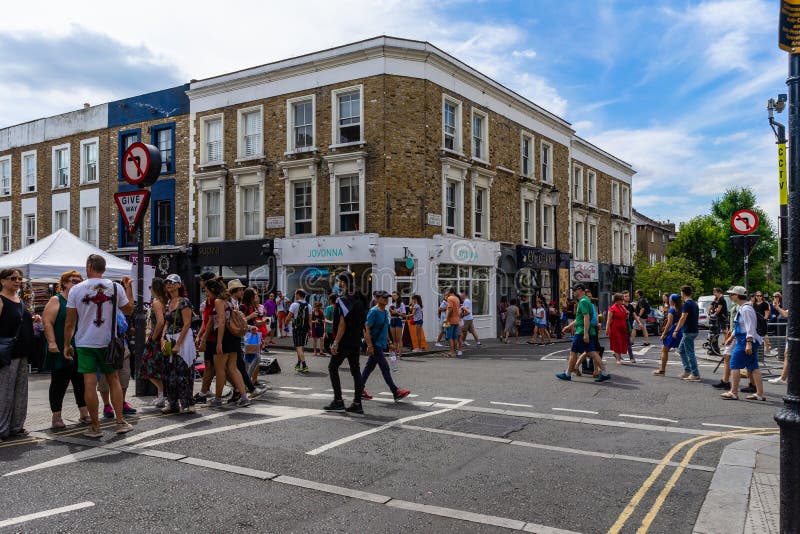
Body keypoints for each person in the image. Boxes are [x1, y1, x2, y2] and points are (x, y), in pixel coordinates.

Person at [63, 255, 135, 438]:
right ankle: (120, 423)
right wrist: (129, 288)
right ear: (104, 268)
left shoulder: (76, 290)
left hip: (85, 343)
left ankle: (95, 427)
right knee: (114, 380)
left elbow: (70, 322)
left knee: (89, 383)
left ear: (88, 266)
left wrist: (66, 344)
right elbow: (129, 310)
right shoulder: (116, 288)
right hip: (108, 342)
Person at [43, 270, 90, 428]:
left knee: (81, 382)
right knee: (59, 383)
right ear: (64, 283)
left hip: (79, 346)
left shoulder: (80, 300)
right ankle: (56, 417)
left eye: (79, 281)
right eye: (73, 281)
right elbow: (47, 321)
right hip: (61, 346)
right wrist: (51, 342)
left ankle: (84, 414)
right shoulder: (57, 300)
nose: (76, 283)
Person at [0, 268, 38, 439]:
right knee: (4, 392)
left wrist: (33, 318)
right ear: (2, 281)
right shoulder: (1, 300)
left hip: (22, 352)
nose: (17, 281)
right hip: (7, 354)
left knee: (20, 392)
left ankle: (16, 426)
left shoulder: (19, 300)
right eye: (13, 278)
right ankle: (2, 429)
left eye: (19, 278)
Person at [204, 279, 249, 407]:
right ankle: (244, 396)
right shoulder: (228, 302)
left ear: (213, 290)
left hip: (224, 337)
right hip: (233, 337)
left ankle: (217, 399)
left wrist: (218, 343)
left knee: (220, 370)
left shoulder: (218, 301)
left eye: (207, 291)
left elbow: (221, 322)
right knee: (233, 368)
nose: (206, 294)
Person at [325, 273, 366, 414]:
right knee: (356, 371)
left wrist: (336, 342)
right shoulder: (360, 299)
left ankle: (338, 400)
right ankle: (357, 403)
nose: (338, 284)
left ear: (343, 282)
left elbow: (342, 323)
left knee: (332, 367)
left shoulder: (342, 300)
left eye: (339, 281)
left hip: (344, 341)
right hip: (356, 340)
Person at [361, 290, 411, 402]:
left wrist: (390, 343)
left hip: (381, 343)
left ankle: (359, 388)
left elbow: (385, 329)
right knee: (385, 367)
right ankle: (395, 391)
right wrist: (369, 346)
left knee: (369, 367)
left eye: (387, 297)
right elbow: (367, 329)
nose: (386, 299)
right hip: (375, 344)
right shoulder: (373, 312)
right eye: (383, 298)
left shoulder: (384, 312)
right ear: (377, 299)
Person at [556, 284, 610, 382]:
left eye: (574, 290)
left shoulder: (583, 301)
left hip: (581, 332)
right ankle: (605, 373)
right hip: (586, 331)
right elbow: (579, 318)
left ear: (580, 290)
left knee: (573, 353)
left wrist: (585, 334)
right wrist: (568, 326)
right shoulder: (586, 301)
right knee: (593, 352)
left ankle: (567, 374)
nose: (573, 292)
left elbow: (586, 317)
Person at [721, 286, 766, 401]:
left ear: (737, 295)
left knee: (734, 363)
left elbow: (750, 327)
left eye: (732, 294)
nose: (730, 296)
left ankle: (734, 392)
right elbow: (740, 326)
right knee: (753, 366)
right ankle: (760, 394)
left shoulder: (746, 309)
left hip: (745, 341)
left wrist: (748, 343)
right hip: (745, 340)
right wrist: (731, 337)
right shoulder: (743, 307)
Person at [161, 274, 197, 414]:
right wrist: (163, 339)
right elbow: (167, 322)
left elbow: (187, 323)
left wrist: (178, 344)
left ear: (178, 285)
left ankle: (187, 403)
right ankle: (172, 403)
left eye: (171, 282)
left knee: (184, 372)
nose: (168, 284)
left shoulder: (184, 302)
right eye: (167, 282)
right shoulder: (168, 302)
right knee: (169, 373)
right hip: (170, 339)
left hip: (183, 340)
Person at [139, 277, 167, 408]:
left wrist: (153, 338)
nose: (150, 290)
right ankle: (161, 394)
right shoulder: (166, 301)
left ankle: (162, 394)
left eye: (151, 287)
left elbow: (160, 322)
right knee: (159, 368)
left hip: (156, 339)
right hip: (165, 338)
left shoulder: (156, 303)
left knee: (148, 368)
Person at [671, 285, 701, 382]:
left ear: (683, 292)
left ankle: (695, 374)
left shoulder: (687, 304)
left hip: (688, 331)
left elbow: (683, 318)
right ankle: (687, 371)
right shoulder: (694, 303)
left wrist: (676, 330)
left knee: (690, 352)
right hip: (693, 330)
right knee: (681, 350)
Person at [654, 294, 683, 376]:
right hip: (681, 330)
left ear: (671, 301)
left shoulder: (672, 310)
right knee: (684, 352)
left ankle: (662, 370)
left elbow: (669, 324)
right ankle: (689, 370)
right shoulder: (682, 308)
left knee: (664, 350)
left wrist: (663, 334)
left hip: (673, 331)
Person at [286, 289, 310, 373]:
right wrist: (309, 330)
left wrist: (285, 325)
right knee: (301, 346)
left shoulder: (294, 304)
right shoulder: (309, 305)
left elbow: (289, 317)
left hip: (297, 328)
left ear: (298, 295)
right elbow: (310, 320)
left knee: (298, 346)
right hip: (305, 329)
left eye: (295, 294)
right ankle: (298, 363)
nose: (294, 295)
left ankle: (304, 365)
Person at [606, 293, 629, 364]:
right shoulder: (612, 308)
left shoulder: (622, 307)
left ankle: (617, 355)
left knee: (621, 342)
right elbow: (609, 319)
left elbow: (626, 317)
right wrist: (607, 329)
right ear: (617, 300)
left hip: (623, 328)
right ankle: (618, 359)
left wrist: (627, 313)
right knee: (617, 343)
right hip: (615, 328)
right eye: (621, 299)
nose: (623, 301)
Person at [444, 287, 462, 358]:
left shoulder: (450, 298)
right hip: (456, 320)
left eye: (446, 291)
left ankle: (452, 353)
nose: (445, 292)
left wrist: (446, 319)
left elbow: (450, 310)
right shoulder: (457, 298)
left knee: (449, 337)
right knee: (455, 337)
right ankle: (454, 352)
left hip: (450, 320)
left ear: (449, 291)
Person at [389, 291, 407, 358]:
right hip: (392, 319)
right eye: (393, 295)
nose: (393, 296)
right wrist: (391, 311)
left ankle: (400, 354)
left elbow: (404, 315)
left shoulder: (401, 304)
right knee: (394, 339)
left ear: (398, 296)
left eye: (395, 295)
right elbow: (391, 314)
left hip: (398, 320)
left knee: (399, 338)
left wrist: (396, 312)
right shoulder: (392, 303)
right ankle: (395, 354)